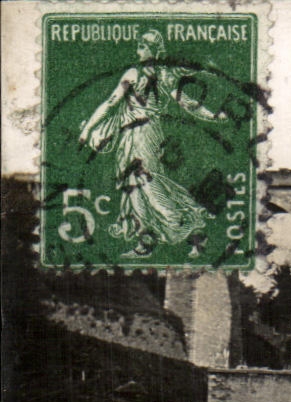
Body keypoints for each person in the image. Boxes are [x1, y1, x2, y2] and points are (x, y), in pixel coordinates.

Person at [77, 29, 228, 258]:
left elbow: (184, 102)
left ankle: (192, 231)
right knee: (133, 188)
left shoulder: (147, 75)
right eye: (138, 46)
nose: (138, 50)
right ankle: (146, 239)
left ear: (152, 50)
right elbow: (111, 103)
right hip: (130, 135)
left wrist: (213, 116)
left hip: (144, 135)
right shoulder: (152, 74)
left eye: (142, 46)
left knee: (148, 185)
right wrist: (88, 128)